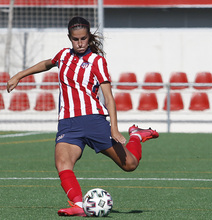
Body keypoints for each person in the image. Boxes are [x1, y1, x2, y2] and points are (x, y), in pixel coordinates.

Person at [7, 16, 159, 217]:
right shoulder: (63, 55)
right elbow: (46, 64)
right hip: (68, 124)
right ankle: (78, 205)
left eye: (84, 39)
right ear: (69, 38)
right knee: (62, 163)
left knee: (130, 165)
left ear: (89, 37)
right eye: (75, 39)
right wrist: (19, 75)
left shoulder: (97, 61)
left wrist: (114, 127)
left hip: (94, 121)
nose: (80, 43)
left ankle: (137, 136)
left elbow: (109, 98)